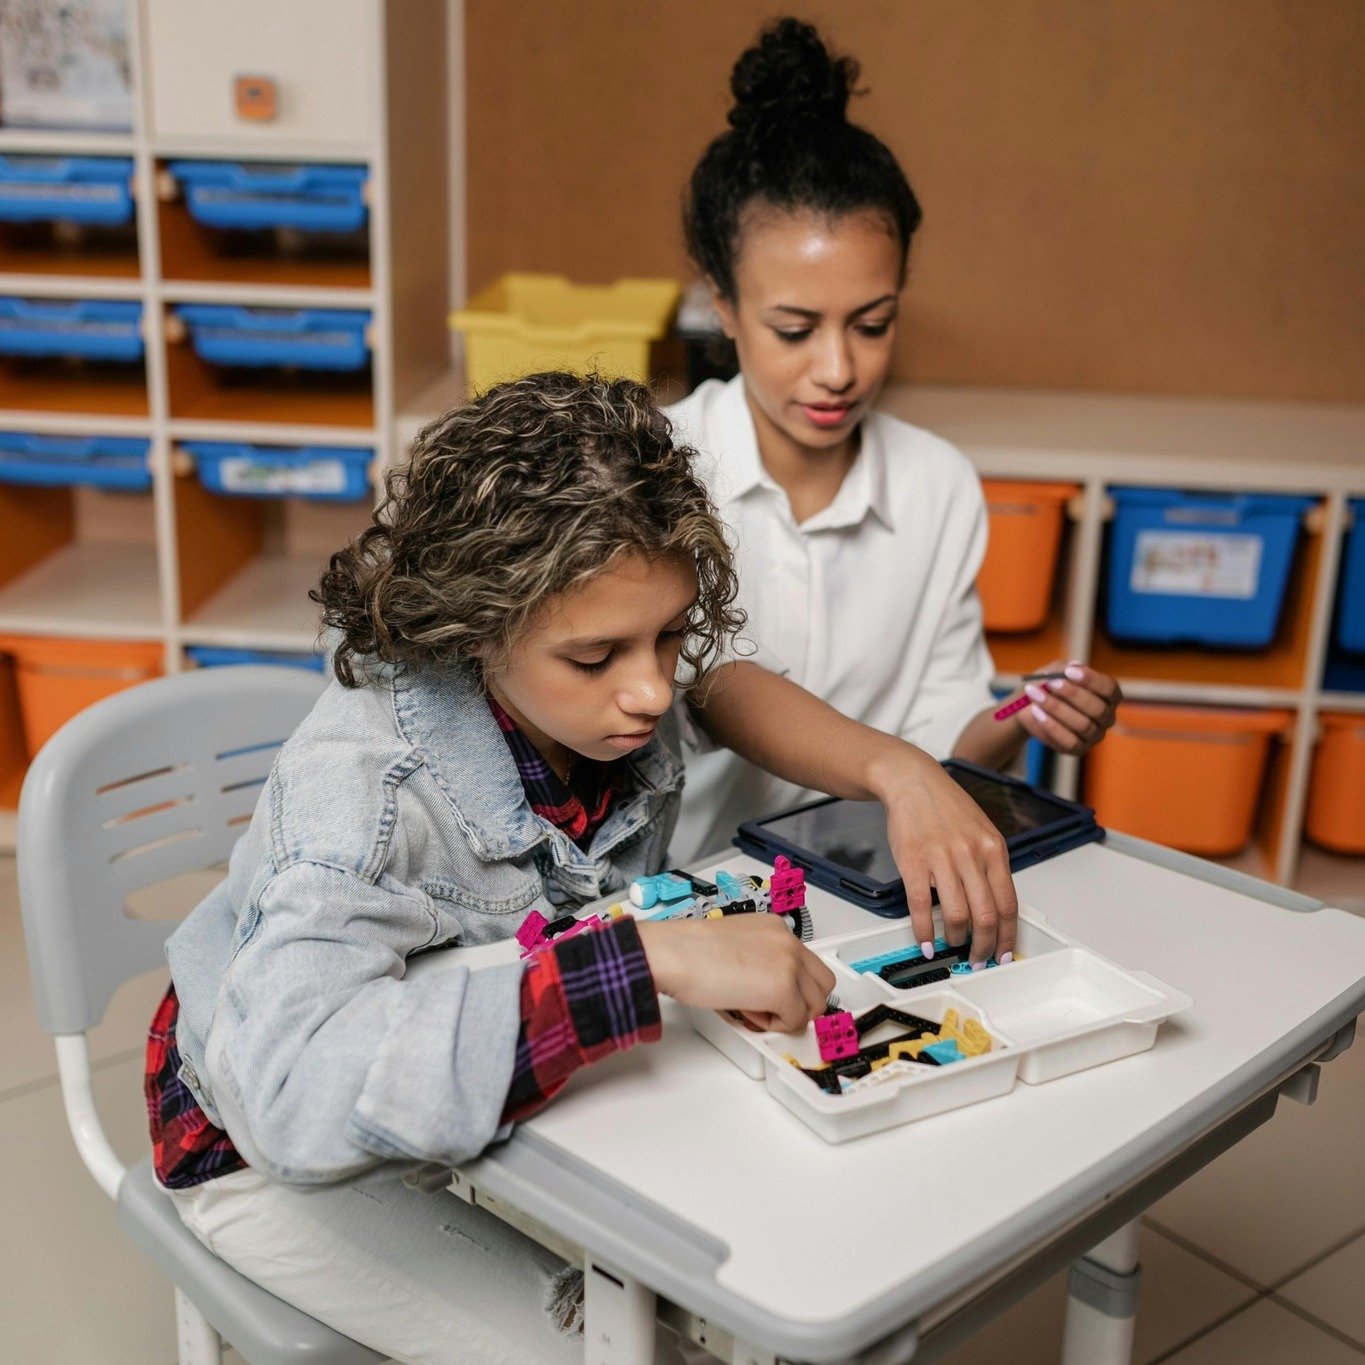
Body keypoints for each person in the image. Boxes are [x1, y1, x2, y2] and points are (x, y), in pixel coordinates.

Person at [143, 371, 1015, 1365]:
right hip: (268, 1158)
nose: (650, 691)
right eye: (599, 658)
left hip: (479, 1115)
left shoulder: (594, 693)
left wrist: (900, 771)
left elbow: (720, 691)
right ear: (477, 626)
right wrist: (638, 962)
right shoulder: (362, 799)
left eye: (671, 636)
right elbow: (291, 1093)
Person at [668, 17, 1122, 866]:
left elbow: (941, 742)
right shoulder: (656, 472)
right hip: (685, 888)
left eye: (872, 324)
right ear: (723, 306)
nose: (837, 368)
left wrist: (1022, 716)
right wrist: (897, 768)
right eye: (794, 328)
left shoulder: (934, 483)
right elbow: (705, 692)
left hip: (861, 875)